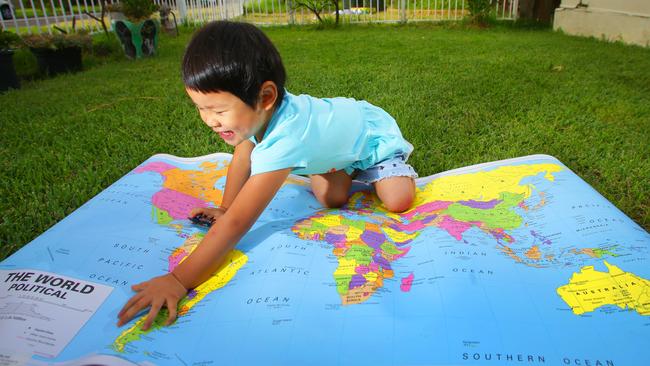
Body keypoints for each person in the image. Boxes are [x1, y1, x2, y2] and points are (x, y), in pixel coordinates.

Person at [117, 20, 418, 330]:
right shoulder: (255, 119)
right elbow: (241, 160)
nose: (209, 121)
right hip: (332, 151)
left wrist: (178, 280)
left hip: (368, 138)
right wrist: (225, 207)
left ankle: (367, 165)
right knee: (333, 199)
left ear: (266, 97)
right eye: (200, 108)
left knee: (398, 200)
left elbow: (237, 225)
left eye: (218, 111)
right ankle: (333, 163)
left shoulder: (284, 139)